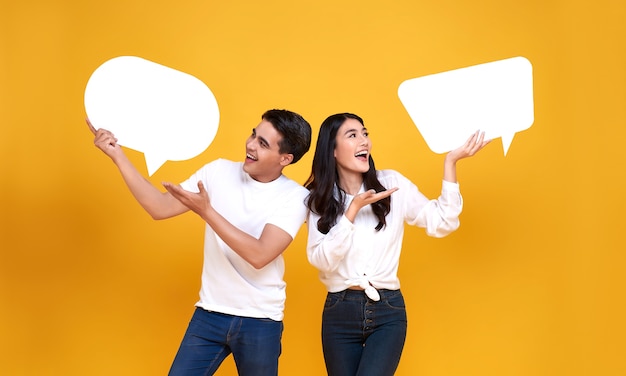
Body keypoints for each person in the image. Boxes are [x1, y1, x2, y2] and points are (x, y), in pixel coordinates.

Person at [87, 109, 312, 376]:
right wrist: (117, 155)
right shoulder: (217, 171)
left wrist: (207, 212)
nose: (251, 145)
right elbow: (159, 207)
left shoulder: (295, 197)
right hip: (209, 314)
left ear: (285, 158)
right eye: (254, 134)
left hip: (260, 320)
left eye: (263, 144)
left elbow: (260, 254)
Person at [304, 113, 489, 376]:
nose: (364, 141)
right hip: (339, 313)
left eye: (365, 133)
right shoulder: (320, 199)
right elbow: (321, 259)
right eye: (353, 135)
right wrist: (352, 212)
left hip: (387, 311)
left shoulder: (392, 184)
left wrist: (451, 162)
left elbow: (442, 222)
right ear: (332, 150)